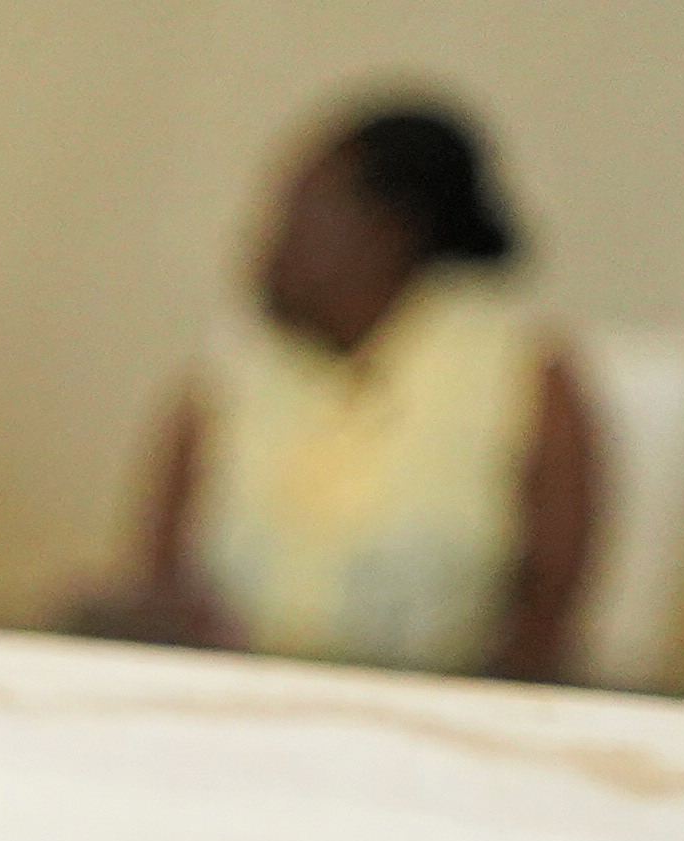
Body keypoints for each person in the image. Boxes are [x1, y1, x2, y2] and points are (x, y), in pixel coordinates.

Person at [84, 103, 603, 681]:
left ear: (389, 231)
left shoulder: (523, 380)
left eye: (298, 215)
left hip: (435, 718)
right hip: (232, 709)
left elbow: (544, 629)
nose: (264, 247)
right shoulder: (222, 384)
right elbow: (158, 589)